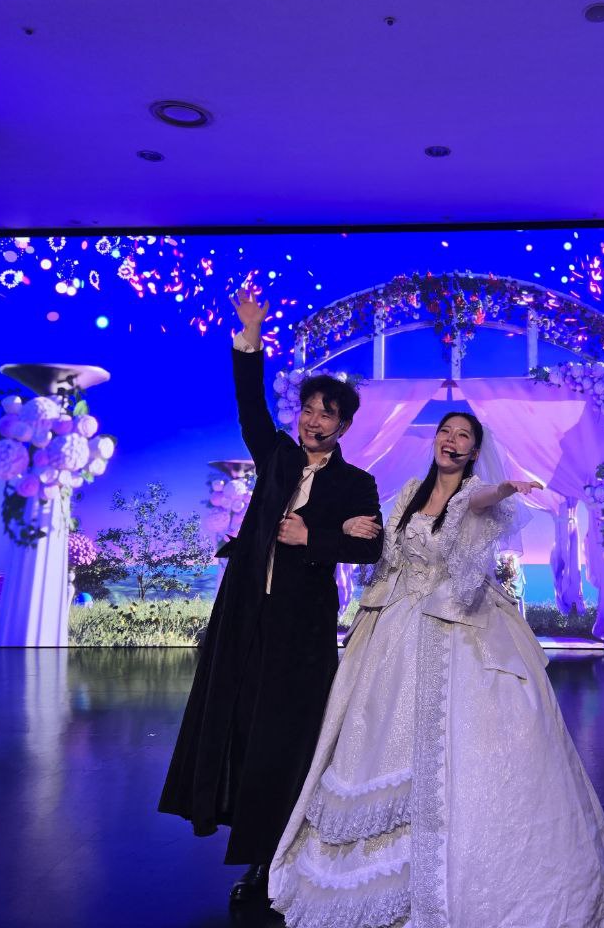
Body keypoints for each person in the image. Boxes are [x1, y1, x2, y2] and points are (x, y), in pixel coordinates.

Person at [269, 411, 604, 928]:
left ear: (474, 450)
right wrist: (349, 529)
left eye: (463, 436)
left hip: (454, 619)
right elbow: (387, 551)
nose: (452, 441)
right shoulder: (410, 492)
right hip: (396, 619)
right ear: (436, 440)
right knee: (373, 728)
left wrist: (504, 488)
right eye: (446, 432)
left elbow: (477, 503)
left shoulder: (474, 495)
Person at [158, 293, 384, 911]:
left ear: (344, 426)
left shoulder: (355, 483)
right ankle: (246, 837)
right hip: (244, 618)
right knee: (236, 727)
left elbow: (372, 547)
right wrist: (250, 338)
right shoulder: (277, 456)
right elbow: (250, 406)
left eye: (326, 414)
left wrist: (317, 537)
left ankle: (273, 857)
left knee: (286, 740)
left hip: (300, 633)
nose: (313, 421)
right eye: (308, 410)